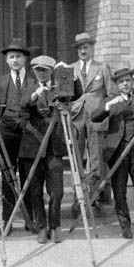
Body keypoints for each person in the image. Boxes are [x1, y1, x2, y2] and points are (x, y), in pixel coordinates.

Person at [91, 66, 134, 241]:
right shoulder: (110, 100)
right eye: (121, 82)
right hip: (117, 151)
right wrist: (108, 106)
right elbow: (94, 116)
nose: (125, 84)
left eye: (128, 81)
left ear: (132, 82)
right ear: (116, 84)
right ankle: (125, 226)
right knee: (120, 190)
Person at [19, 55, 83, 244]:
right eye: (38, 70)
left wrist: (70, 75)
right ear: (34, 71)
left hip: (55, 146)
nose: (42, 73)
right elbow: (23, 103)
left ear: (51, 71)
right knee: (35, 190)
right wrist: (36, 93)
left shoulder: (59, 87)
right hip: (33, 146)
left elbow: (78, 94)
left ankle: (54, 225)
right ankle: (42, 227)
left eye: (45, 70)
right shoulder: (29, 87)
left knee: (57, 190)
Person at [0, 37, 36, 234]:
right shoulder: (1, 82)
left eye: (18, 56)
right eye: (11, 57)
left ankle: (29, 219)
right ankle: (7, 220)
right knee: (7, 176)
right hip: (7, 133)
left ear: (25, 59)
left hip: (29, 133)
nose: (15, 60)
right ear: (7, 60)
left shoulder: (34, 80)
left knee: (29, 176)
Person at [69, 32, 109, 215]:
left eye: (86, 47)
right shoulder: (70, 69)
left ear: (92, 48)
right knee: (76, 159)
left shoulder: (102, 68)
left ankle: (93, 198)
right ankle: (79, 198)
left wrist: (104, 113)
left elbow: (110, 94)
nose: (83, 50)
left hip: (96, 118)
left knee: (95, 160)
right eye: (80, 48)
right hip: (76, 118)